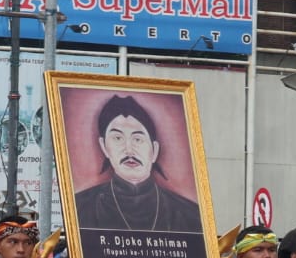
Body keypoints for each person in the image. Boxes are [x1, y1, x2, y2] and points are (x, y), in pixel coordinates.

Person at [72, 95, 203, 235]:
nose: (129, 149)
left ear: (155, 150)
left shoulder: (190, 214)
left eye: (138, 139)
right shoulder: (79, 208)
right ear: (104, 147)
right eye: (117, 138)